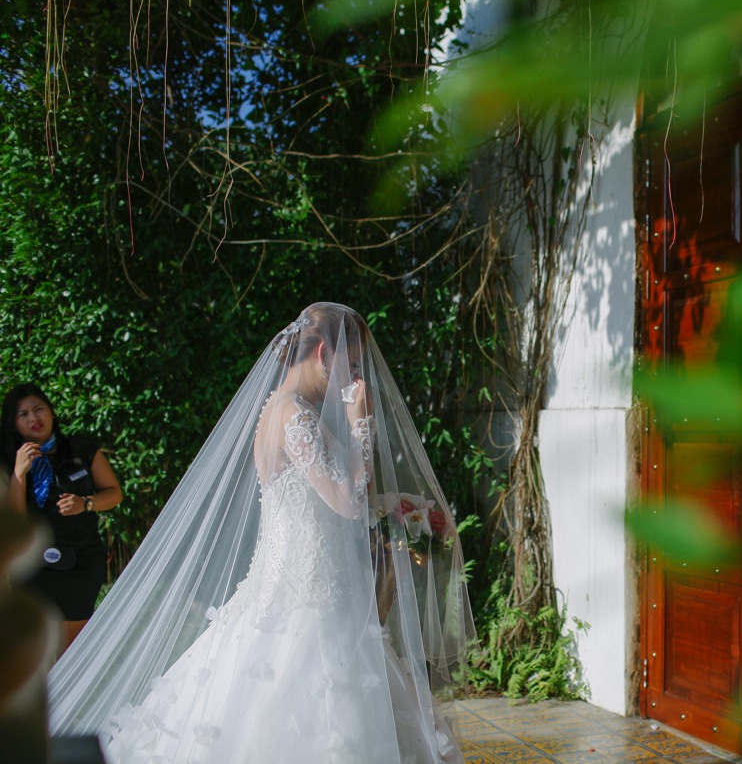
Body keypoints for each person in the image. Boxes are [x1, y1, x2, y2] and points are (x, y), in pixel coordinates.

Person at [47, 303, 475, 763]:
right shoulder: (294, 416)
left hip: (304, 592)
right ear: (325, 354)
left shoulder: (282, 409)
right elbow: (347, 501)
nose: (353, 376)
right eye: (351, 363)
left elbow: (324, 501)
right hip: (308, 604)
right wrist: (361, 423)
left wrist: (392, 509)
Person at [1, 383, 123, 652]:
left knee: (72, 652)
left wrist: (86, 503)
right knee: (37, 653)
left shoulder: (81, 449)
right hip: (34, 567)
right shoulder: (8, 461)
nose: (34, 418)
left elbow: (114, 494)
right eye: (23, 414)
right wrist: (20, 472)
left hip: (80, 561)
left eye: (38, 409)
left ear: (52, 412)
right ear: (13, 423)